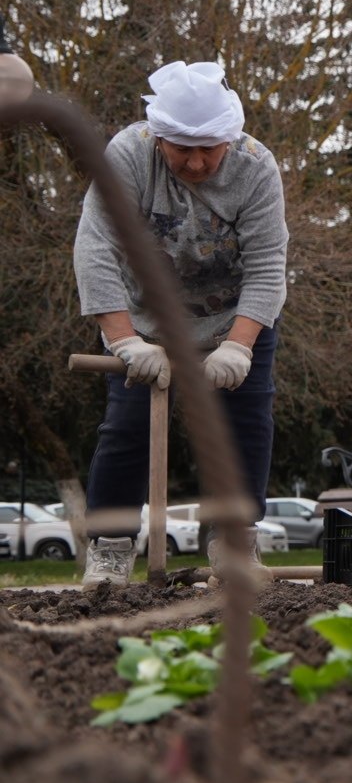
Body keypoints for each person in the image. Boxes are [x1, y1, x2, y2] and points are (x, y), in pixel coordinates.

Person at [74, 60, 288, 586]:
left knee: (245, 426)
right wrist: (124, 340)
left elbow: (267, 265)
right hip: (147, 324)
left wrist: (238, 347)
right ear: (158, 137)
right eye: (180, 149)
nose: (194, 162)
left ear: (230, 140)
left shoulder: (256, 168)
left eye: (208, 150)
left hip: (234, 322)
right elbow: (97, 247)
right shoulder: (127, 155)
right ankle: (111, 547)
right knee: (126, 429)